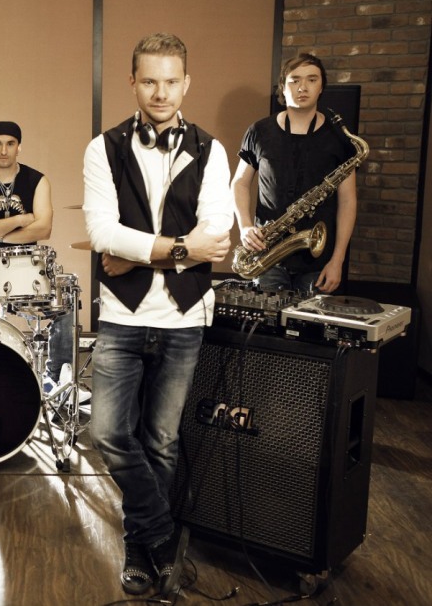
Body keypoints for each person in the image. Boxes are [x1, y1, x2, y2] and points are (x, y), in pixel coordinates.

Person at [82, 33, 233, 598]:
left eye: (171, 81)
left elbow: (217, 234)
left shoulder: (212, 150)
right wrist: (180, 249)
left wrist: (140, 252)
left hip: (184, 318)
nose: (160, 92)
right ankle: (165, 533)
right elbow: (102, 232)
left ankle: (140, 550)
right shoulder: (103, 149)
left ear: (186, 83)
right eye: (149, 80)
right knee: (107, 432)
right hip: (122, 316)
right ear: (132, 82)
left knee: (162, 441)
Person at [0, 121, 83, 397]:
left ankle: (55, 378)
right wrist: (22, 219)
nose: (3, 150)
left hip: (26, 263)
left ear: (19, 147)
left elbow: (44, 229)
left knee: (64, 307)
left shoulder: (37, 180)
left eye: (10, 143)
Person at [232, 53, 358, 295]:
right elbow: (239, 183)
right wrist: (245, 227)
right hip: (266, 253)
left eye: (312, 79)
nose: (303, 87)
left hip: (318, 259)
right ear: (282, 86)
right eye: (294, 80)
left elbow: (348, 201)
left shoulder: (339, 137)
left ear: (322, 87)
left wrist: (337, 260)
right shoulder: (259, 131)